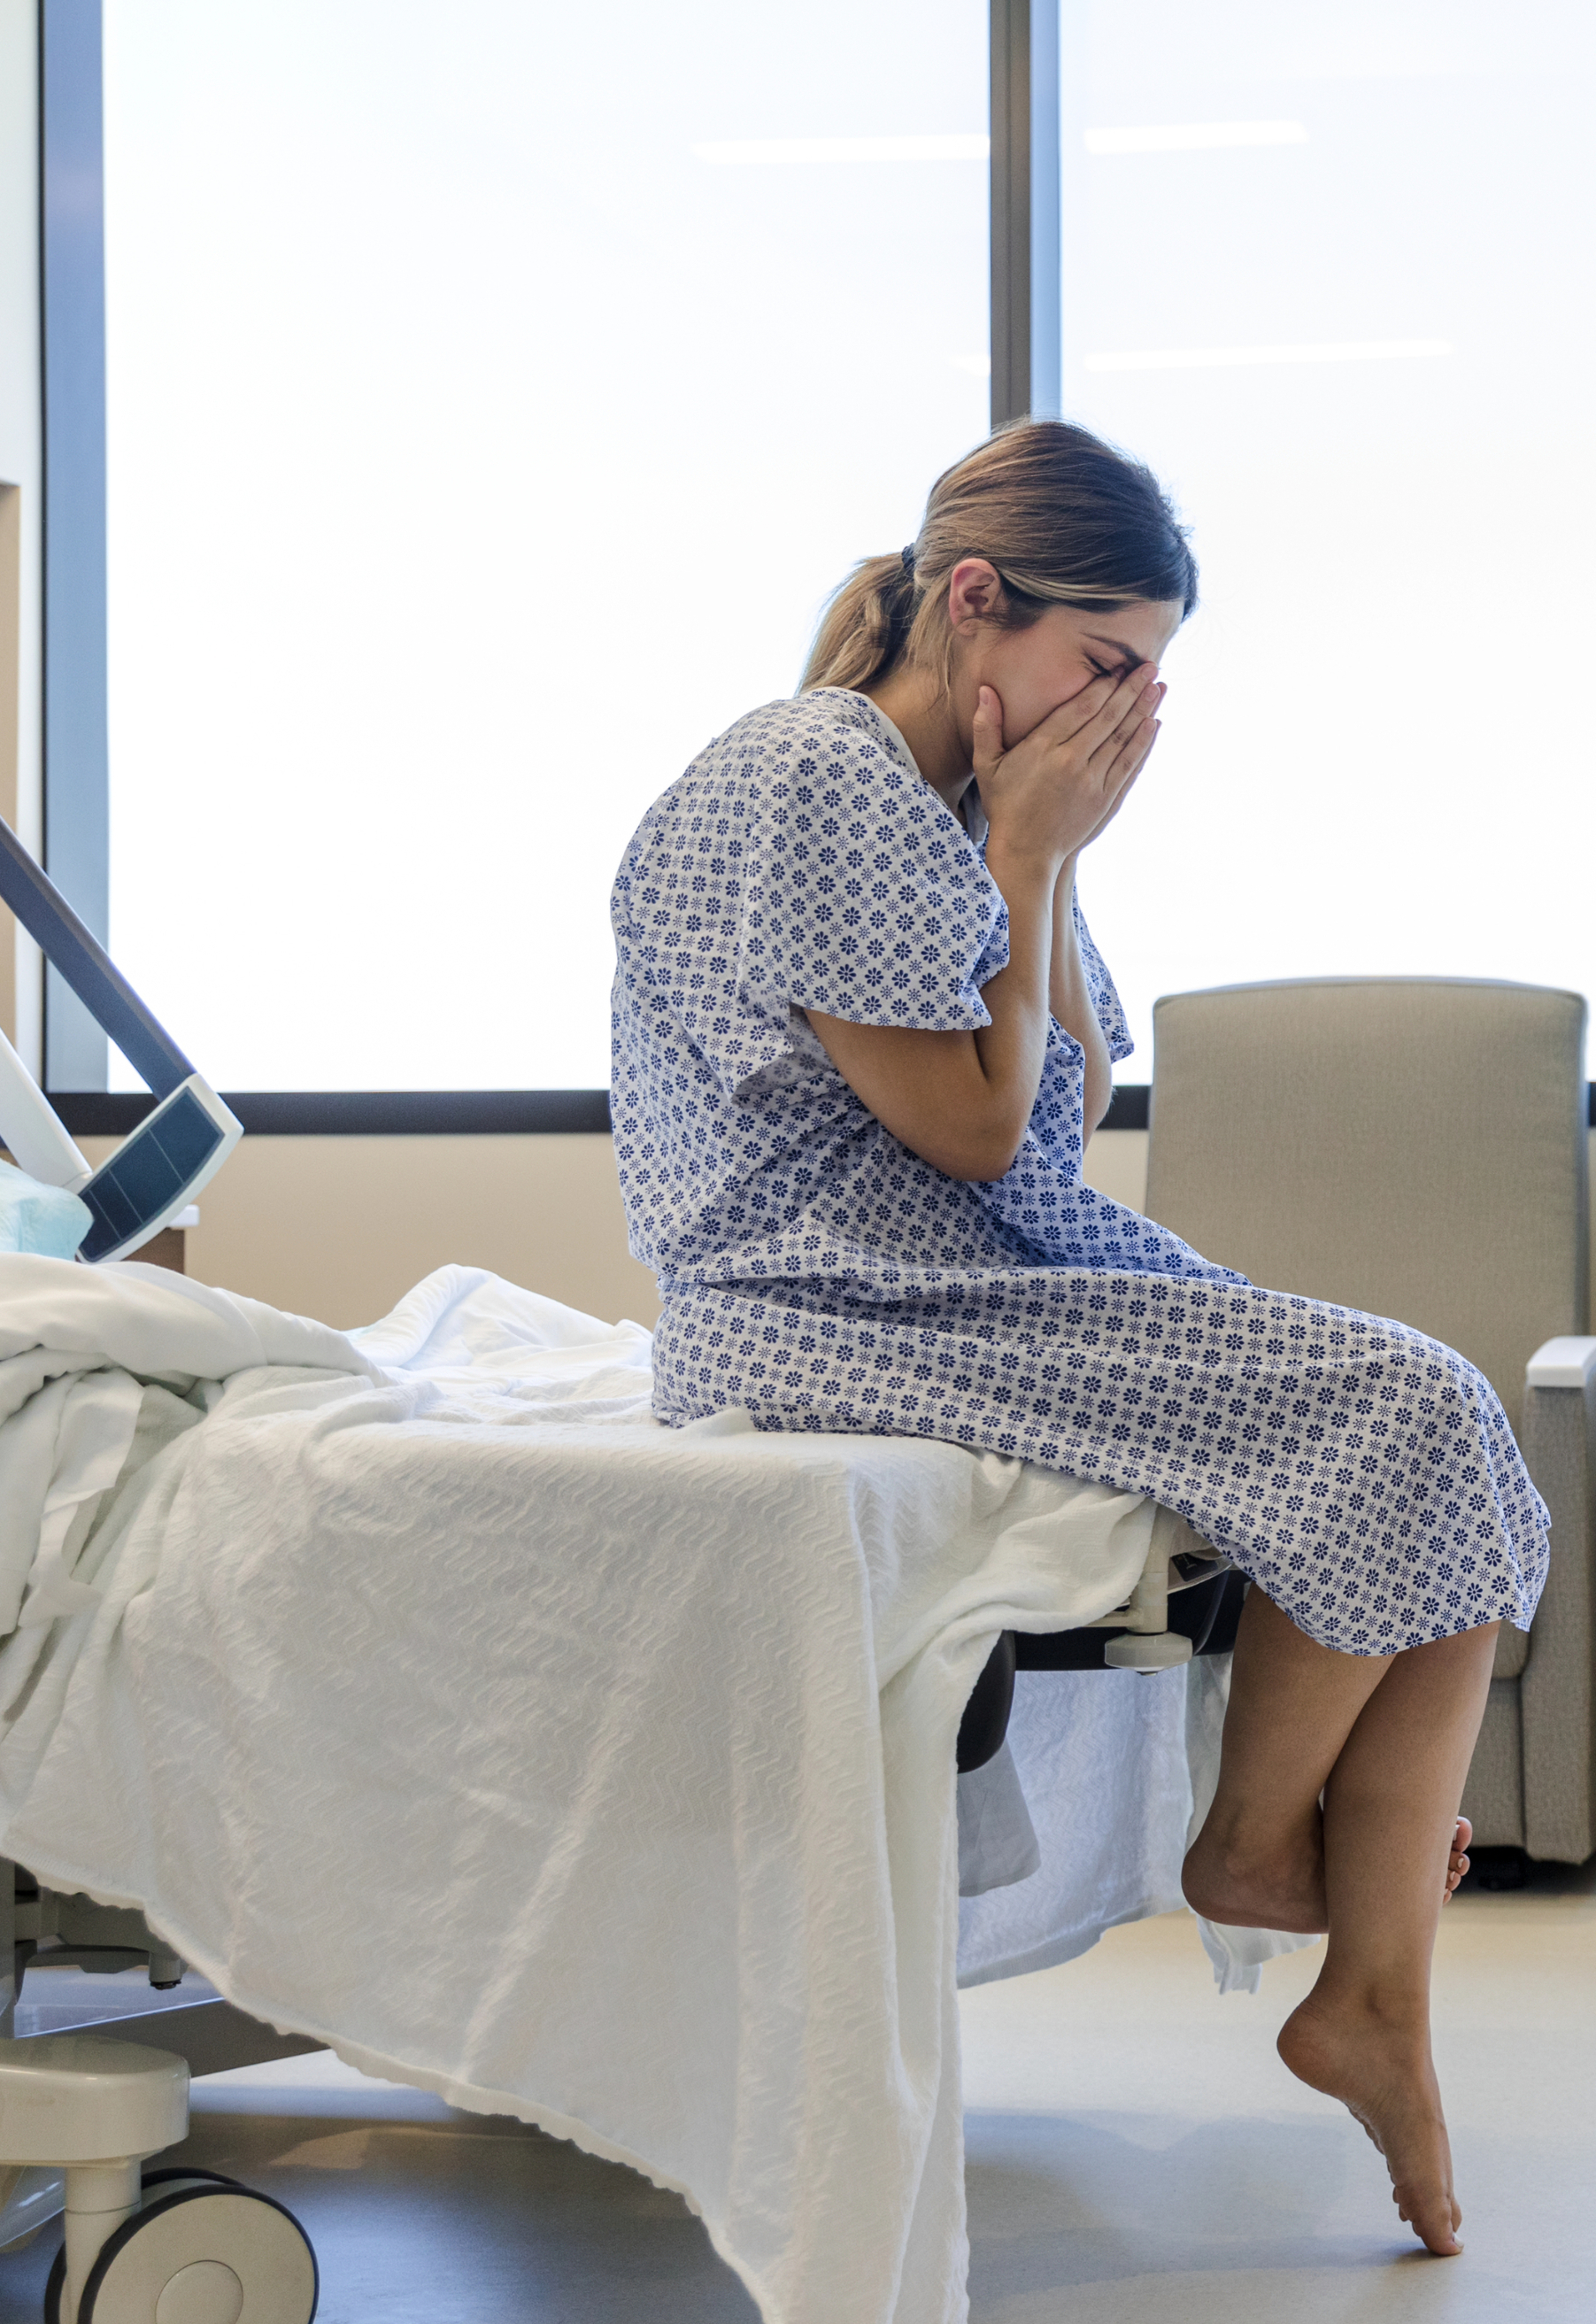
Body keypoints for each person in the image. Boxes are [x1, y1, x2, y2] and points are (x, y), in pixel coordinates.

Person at [607, 417, 1546, 2257]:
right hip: (825, 1294)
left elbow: (1067, 1092)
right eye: (1105, 662)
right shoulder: (810, 774)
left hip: (971, 1260)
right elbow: (966, 1131)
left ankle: (1363, 1980)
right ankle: (1276, 1860)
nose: (1129, 706)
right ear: (974, 601)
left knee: (1453, 1438)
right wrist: (1028, 852)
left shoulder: (954, 794)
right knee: (1410, 1401)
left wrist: (1042, 841)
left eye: (1150, 677)